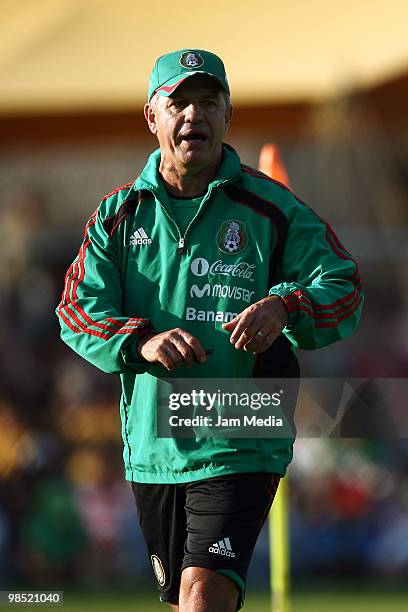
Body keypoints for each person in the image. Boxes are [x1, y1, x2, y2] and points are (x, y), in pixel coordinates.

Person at [56, 48, 364, 611]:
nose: (193, 115)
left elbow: (343, 286)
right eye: (179, 102)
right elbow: (76, 311)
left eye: (208, 102)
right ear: (153, 117)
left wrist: (287, 307)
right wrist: (140, 340)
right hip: (157, 439)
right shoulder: (116, 218)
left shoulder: (272, 208)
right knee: (183, 603)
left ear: (227, 115)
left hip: (242, 425)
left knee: (204, 595)